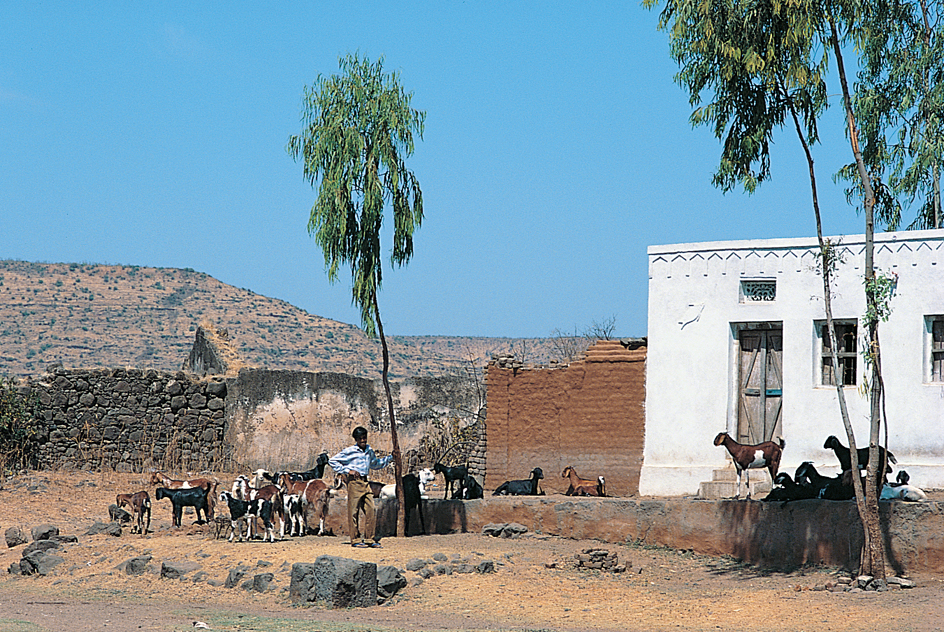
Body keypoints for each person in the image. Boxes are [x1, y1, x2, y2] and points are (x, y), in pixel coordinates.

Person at [328, 426, 393, 548]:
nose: (363, 441)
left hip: (365, 482)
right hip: (354, 483)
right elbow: (332, 461)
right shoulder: (349, 451)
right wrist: (348, 471)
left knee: (371, 509)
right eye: (360, 439)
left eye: (364, 438)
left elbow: (375, 464)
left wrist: (390, 458)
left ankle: (369, 538)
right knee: (354, 511)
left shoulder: (369, 450)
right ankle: (355, 539)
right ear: (356, 439)